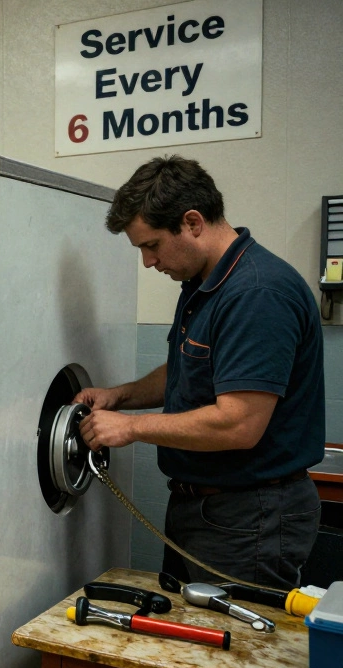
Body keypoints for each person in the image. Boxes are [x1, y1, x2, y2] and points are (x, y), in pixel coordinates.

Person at [76, 155, 324, 594]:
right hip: (203, 507)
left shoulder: (256, 293)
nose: (149, 262)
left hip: (250, 518)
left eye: (151, 245)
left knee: (235, 653)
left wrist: (130, 428)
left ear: (192, 222)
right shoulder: (205, 282)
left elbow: (239, 423)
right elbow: (187, 368)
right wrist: (122, 396)